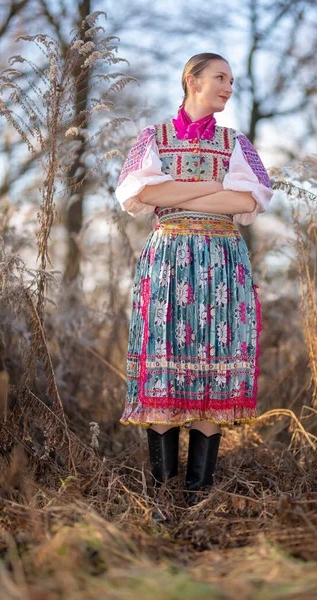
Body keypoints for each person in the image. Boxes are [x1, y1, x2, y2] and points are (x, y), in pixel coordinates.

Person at [115, 53, 273, 507]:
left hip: (223, 259)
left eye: (231, 80)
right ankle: (163, 498)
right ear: (193, 80)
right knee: (164, 358)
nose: (228, 87)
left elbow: (252, 198)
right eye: (220, 77)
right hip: (169, 260)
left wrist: (176, 192)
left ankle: (199, 497)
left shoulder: (235, 142)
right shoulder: (154, 138)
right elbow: (139, 193)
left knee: (213, 363)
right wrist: (213, 190)